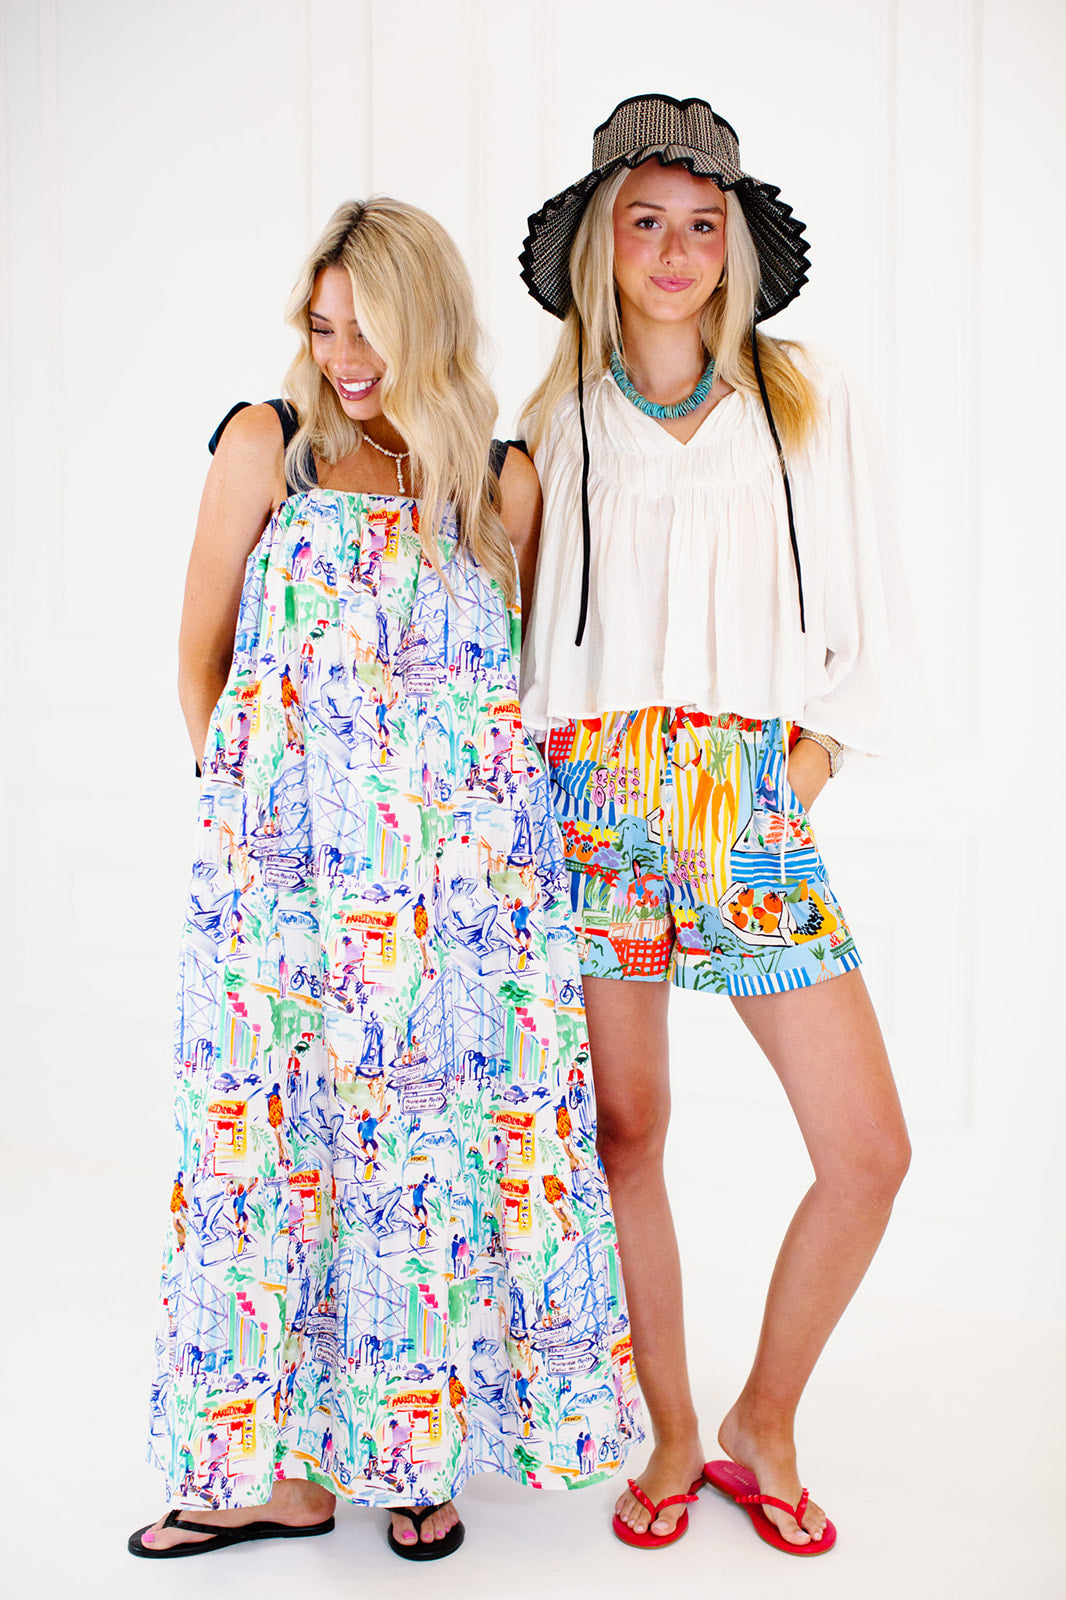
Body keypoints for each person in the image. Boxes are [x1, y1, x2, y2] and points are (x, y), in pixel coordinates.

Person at [129, 197, 638, 1566]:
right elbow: (199, 657)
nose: (343, 358)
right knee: (270, 1164)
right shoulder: (269, 446)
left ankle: (417, 1455)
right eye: (323, 326)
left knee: (429, 1167)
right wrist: (246, 840)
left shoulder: (498, 483)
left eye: (370, 330)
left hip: (459, 913)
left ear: (435, 326)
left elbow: (507, 691)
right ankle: (280, 1477)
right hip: (283, 897)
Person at [518, 94, 913, 1555]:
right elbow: (516, 635)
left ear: (734, 246)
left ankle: (766, 1418)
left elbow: (875, 610)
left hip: (743, 793)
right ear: (601, 245)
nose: (675, 252)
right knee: (627, 1132)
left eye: (701, 225)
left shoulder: (803, 398)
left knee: (866, 1150)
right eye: (646, 223)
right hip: (593, 794)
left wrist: (803, 768)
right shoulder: (553, 419)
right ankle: (674, 1431)